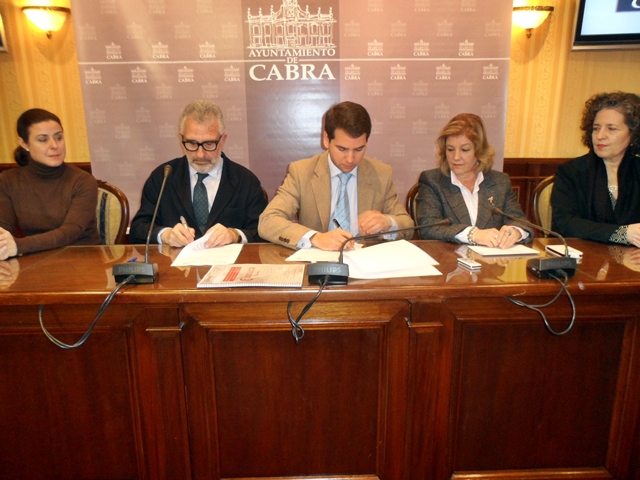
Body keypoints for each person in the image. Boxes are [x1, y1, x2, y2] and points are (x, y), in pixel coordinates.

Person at [258, 101, 413, 251]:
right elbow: (268, 221)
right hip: (319, 261)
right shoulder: (302, 172)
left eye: (359, 149)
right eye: (342, 149)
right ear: (326, 139)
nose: (350, 159)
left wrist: (388, 222)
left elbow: (408, 225)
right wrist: (316, 238)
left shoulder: (381, 173)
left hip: (366, 261)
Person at [129, 100, 267, 246]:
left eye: (209, 144)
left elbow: (263, 232)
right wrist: (165, 235)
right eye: (192, 143)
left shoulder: (246, 181)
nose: (200, 154)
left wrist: (235, 235)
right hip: (176, 261)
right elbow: (138, 229)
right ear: (182, 138)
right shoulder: (163, 177)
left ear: (223, 140)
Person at [416, 113, 533, 247]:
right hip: (450, 259)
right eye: (450, 149)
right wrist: (473, 234)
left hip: (493, 259)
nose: (456, 157)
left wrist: (515, 232)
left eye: (465, 150)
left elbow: (520, 221)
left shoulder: (500, 182)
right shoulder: (432, 181)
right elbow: (428, 228)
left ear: (479, 150)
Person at [0, 108, 100, 261]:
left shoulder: (83, 181)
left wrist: (19, 246)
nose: (54, 145)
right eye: (43, 140)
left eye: (59, 137)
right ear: (24, 143)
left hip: (82, 259)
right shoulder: (8, 180)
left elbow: (70, 231)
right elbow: (3, 228)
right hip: (34, 260)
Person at [551, 91, 640, 247]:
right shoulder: (571, 171)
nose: (600, 136)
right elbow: (565, 223)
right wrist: (621, 233)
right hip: (584, 255)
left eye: (611, 129)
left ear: (633, 135)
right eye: (596, 128)